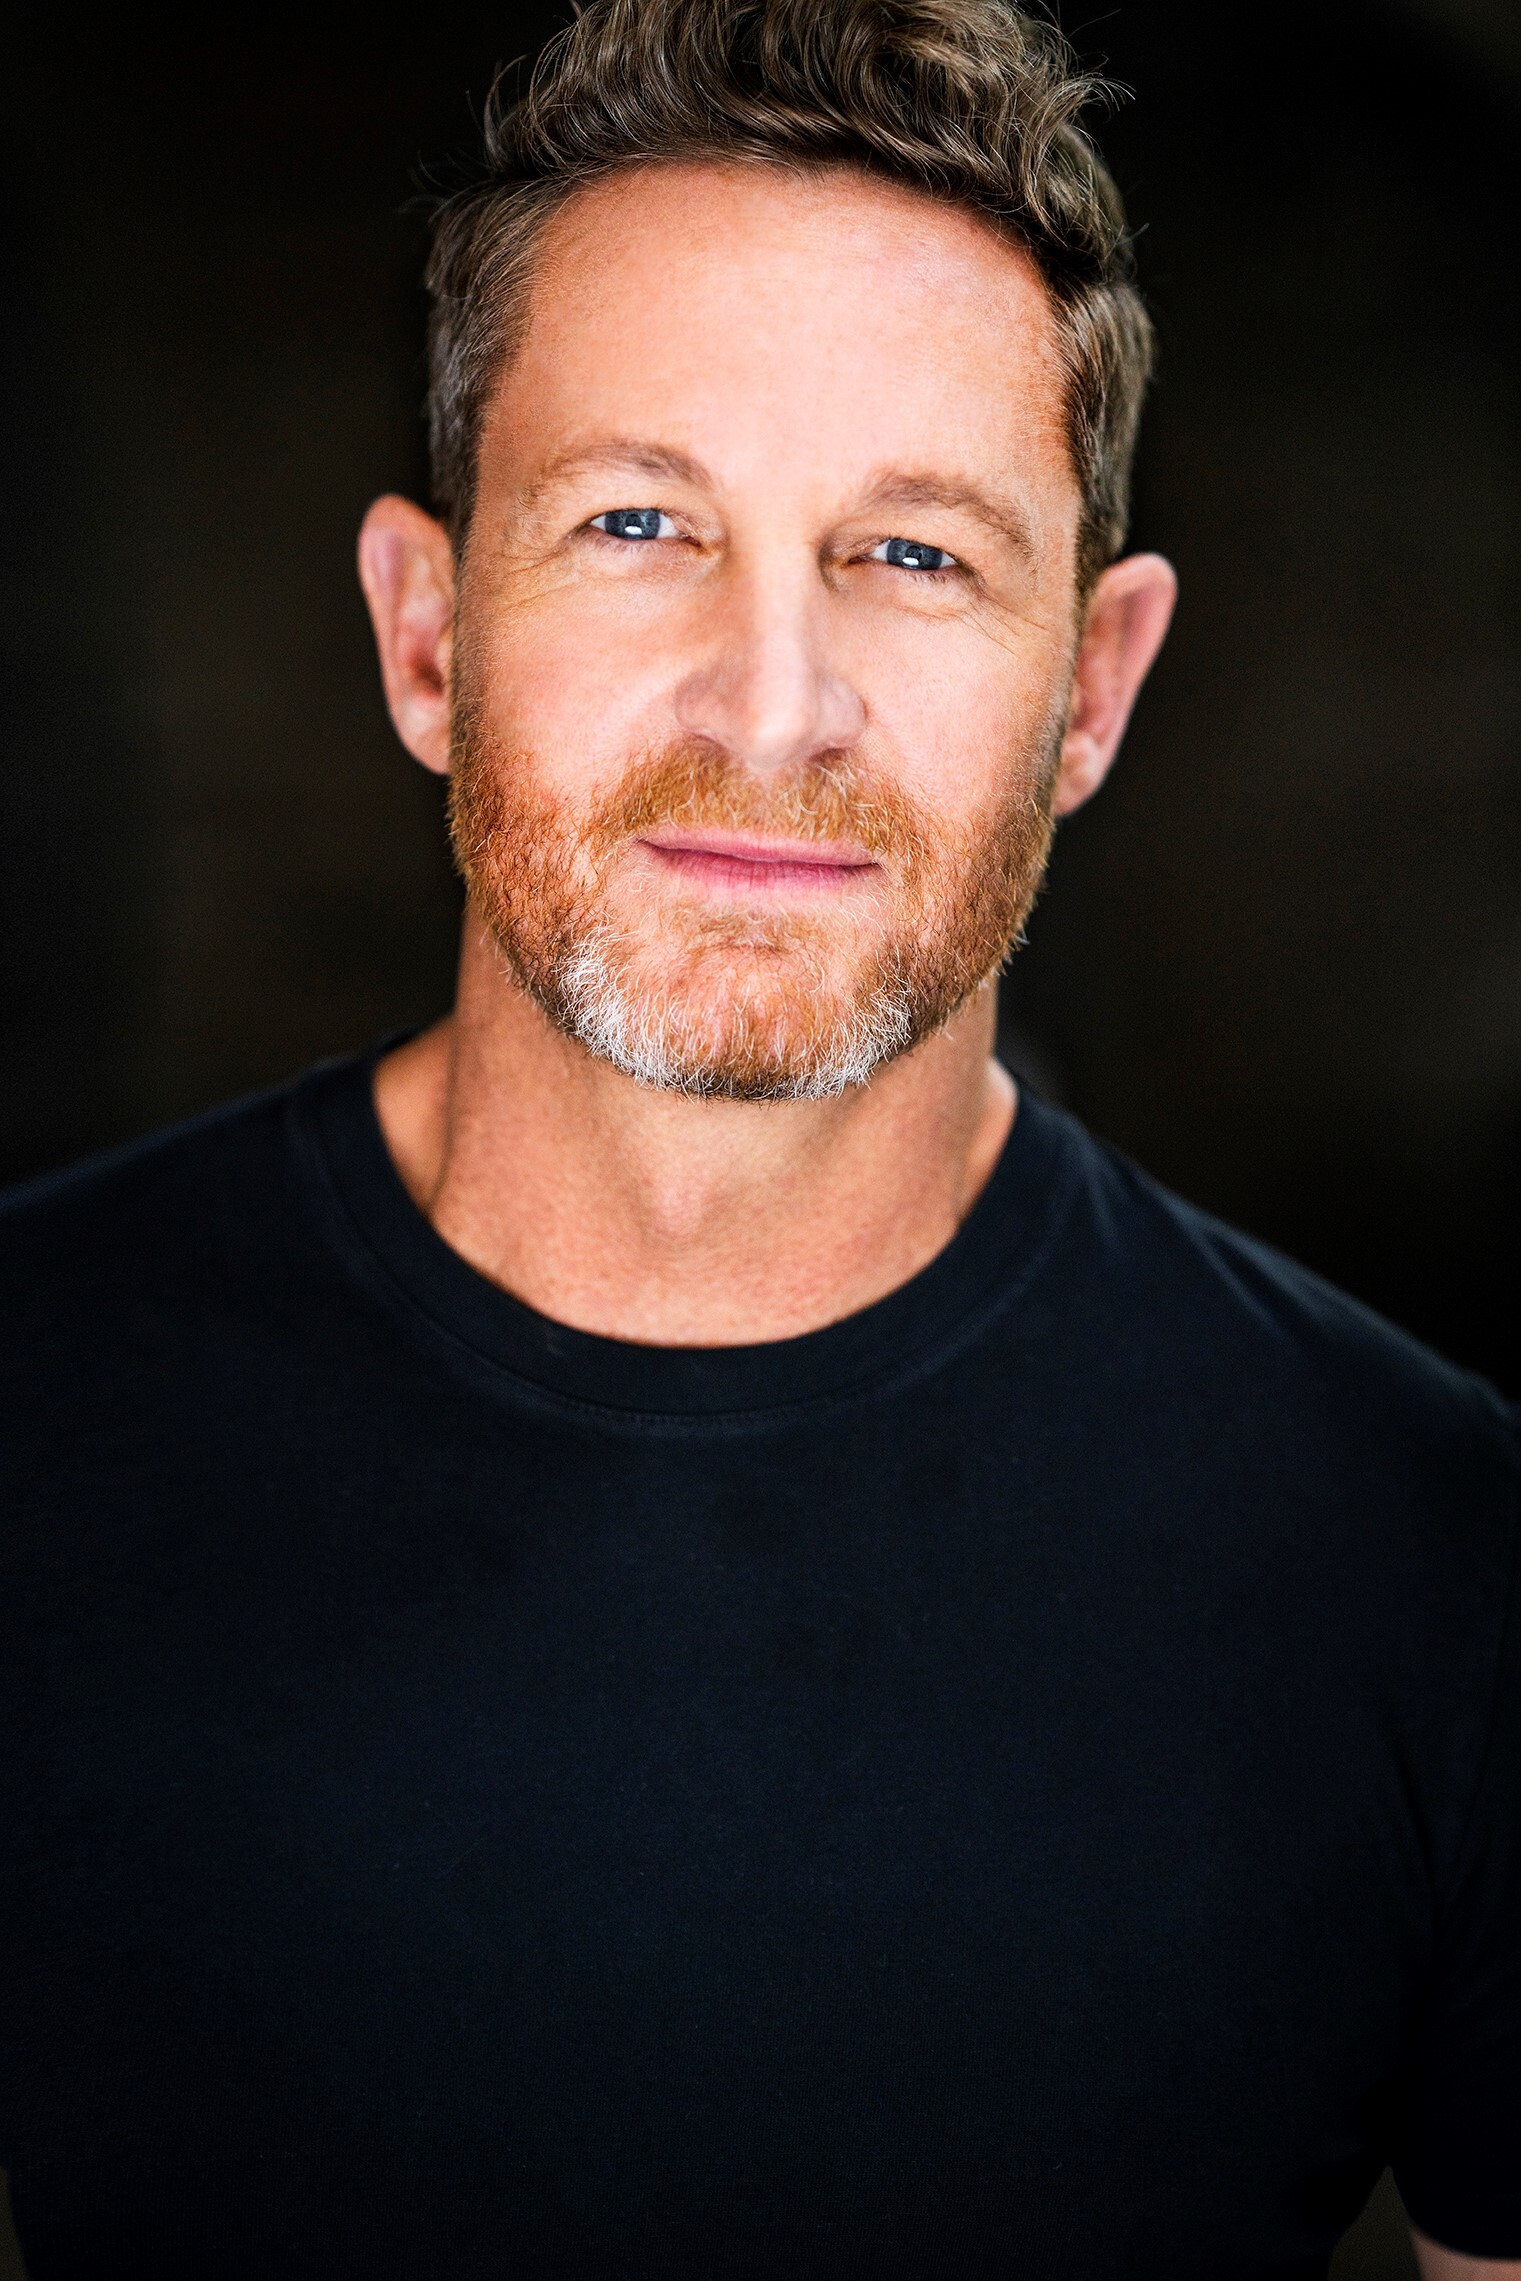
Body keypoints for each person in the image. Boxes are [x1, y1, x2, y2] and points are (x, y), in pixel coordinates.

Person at [1, 0, 1516, 2273]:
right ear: (428, 639)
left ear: (1086, 691)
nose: (772, 704)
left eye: (911, 557)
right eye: (636, 522)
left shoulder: (1449, 1560)